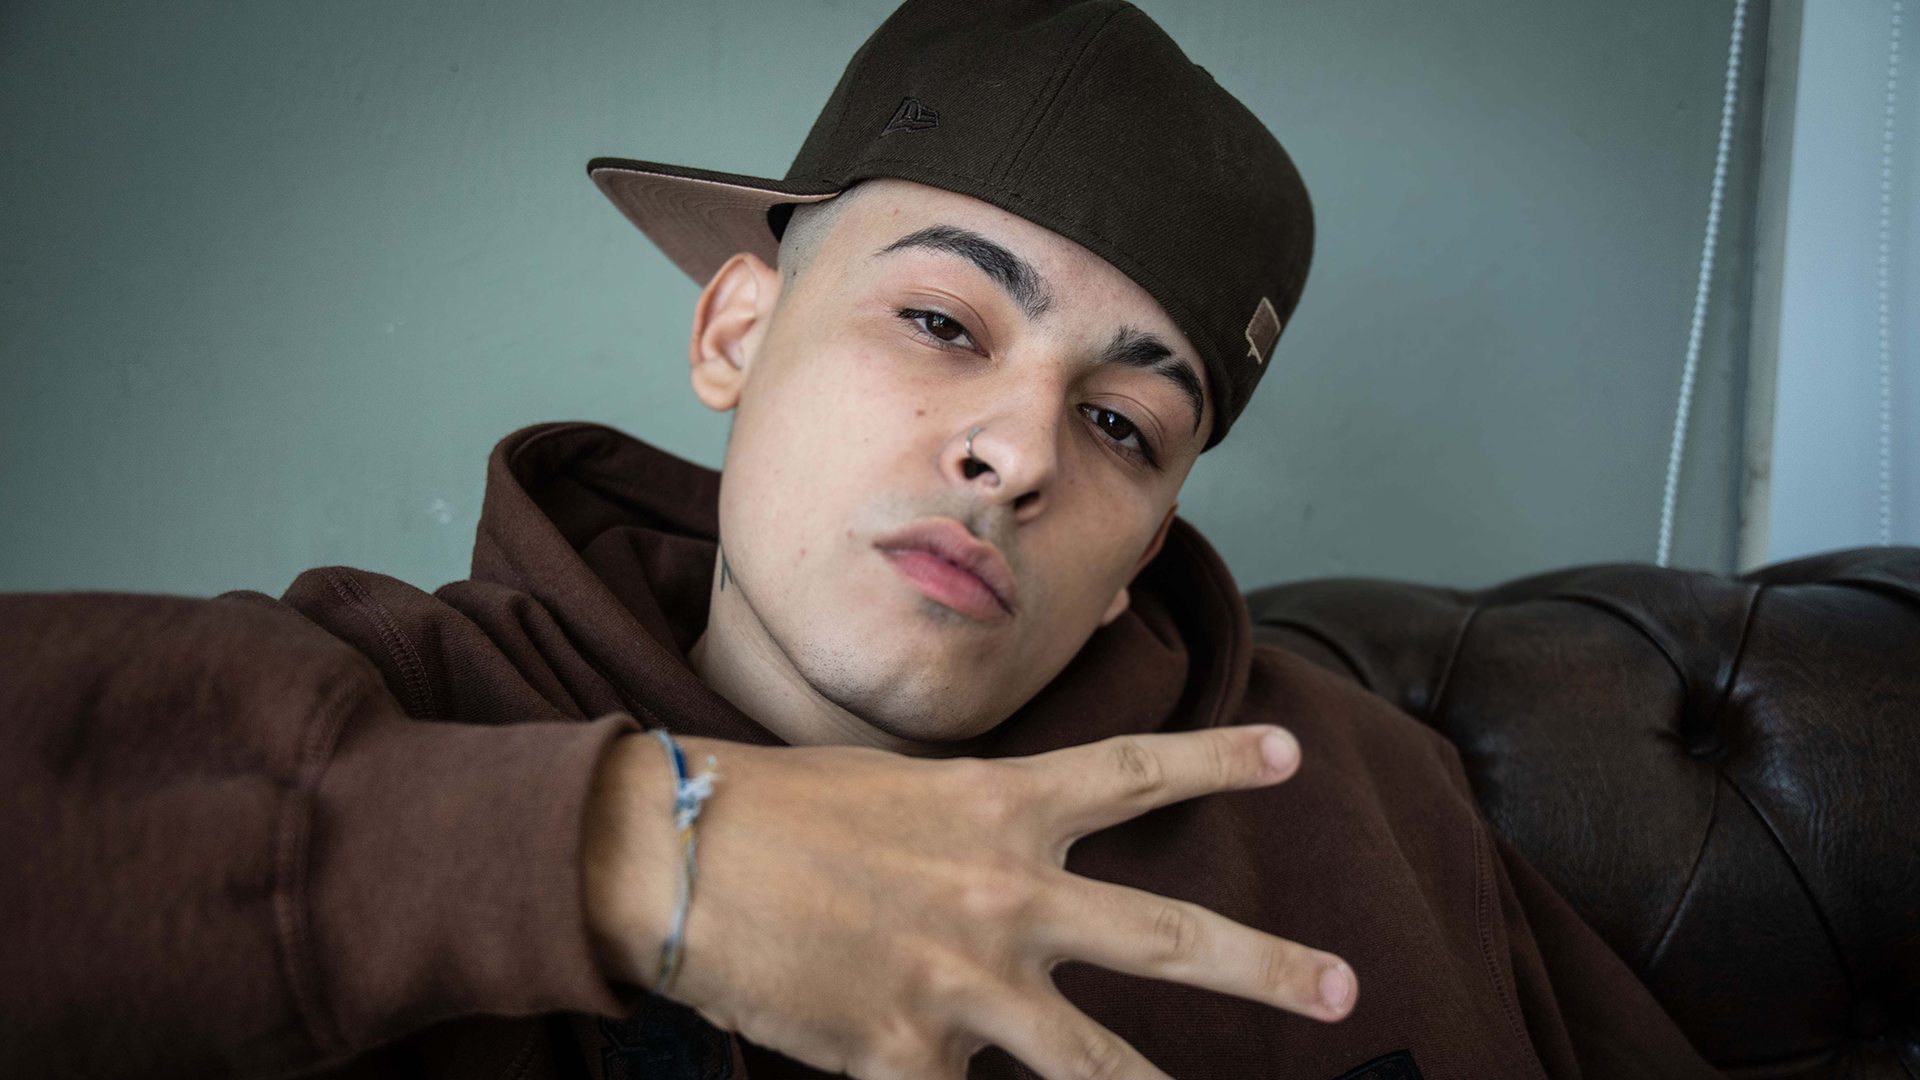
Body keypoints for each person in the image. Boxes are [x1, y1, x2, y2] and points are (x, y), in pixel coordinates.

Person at [0, 2, 1718, 1079]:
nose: (1018, 452)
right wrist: (624, 853)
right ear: (736, 330)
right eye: (945, 323)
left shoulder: (1362, 794)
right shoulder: (393, 701)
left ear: (1143, 548)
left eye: (1126, 425)